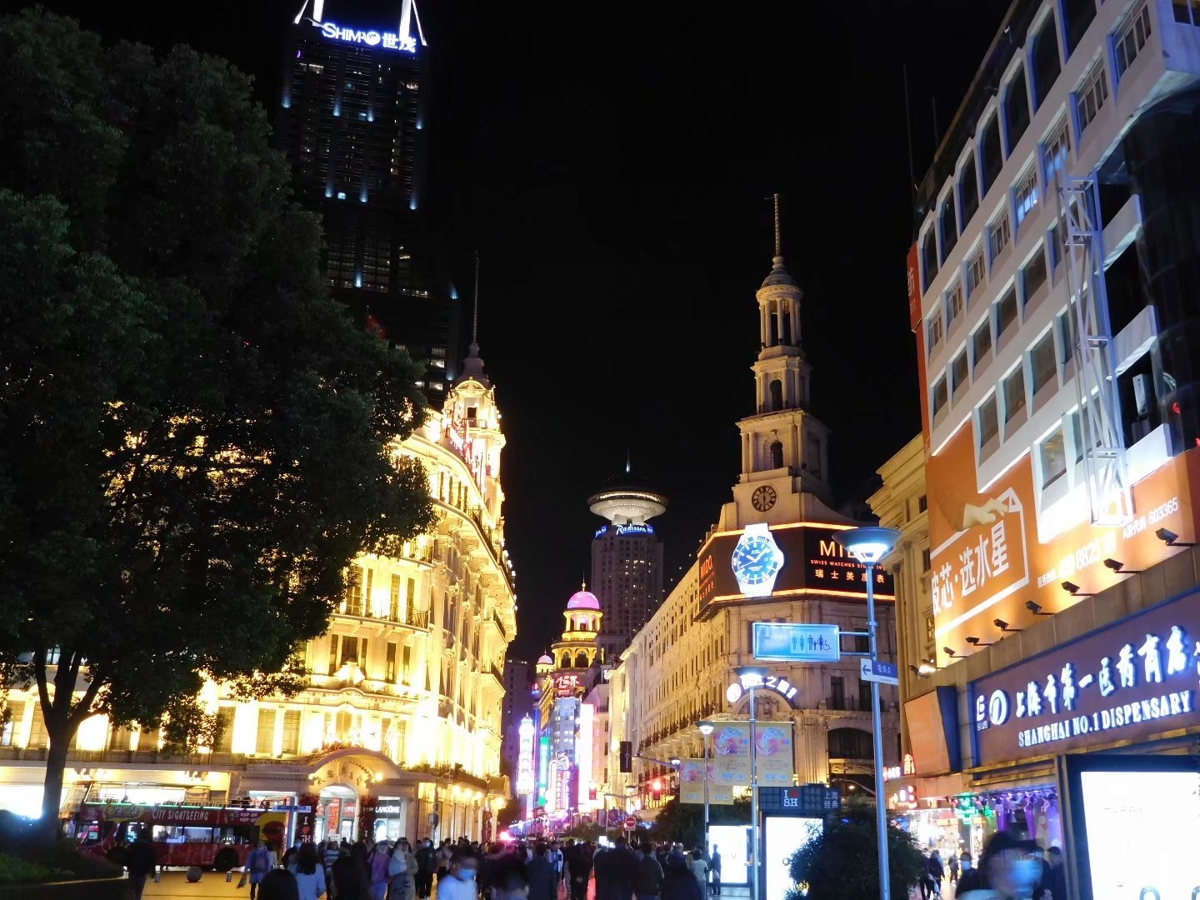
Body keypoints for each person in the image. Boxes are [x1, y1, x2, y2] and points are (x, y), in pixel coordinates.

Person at [957, 832, 1043, 900]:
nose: (1019, 861)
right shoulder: (972, 891)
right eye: (1015, 855)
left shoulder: (1022, 893)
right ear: (997, 857)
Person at [125, 832, 158, 900]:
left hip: (132, 872)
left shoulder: (133, 846)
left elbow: (127, 857)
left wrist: (128, 867)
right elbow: (153, 860)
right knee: (138, 893)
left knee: (130, 891)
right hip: (142, 873)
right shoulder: (150, 847)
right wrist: (153, 871)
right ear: (147, 838)